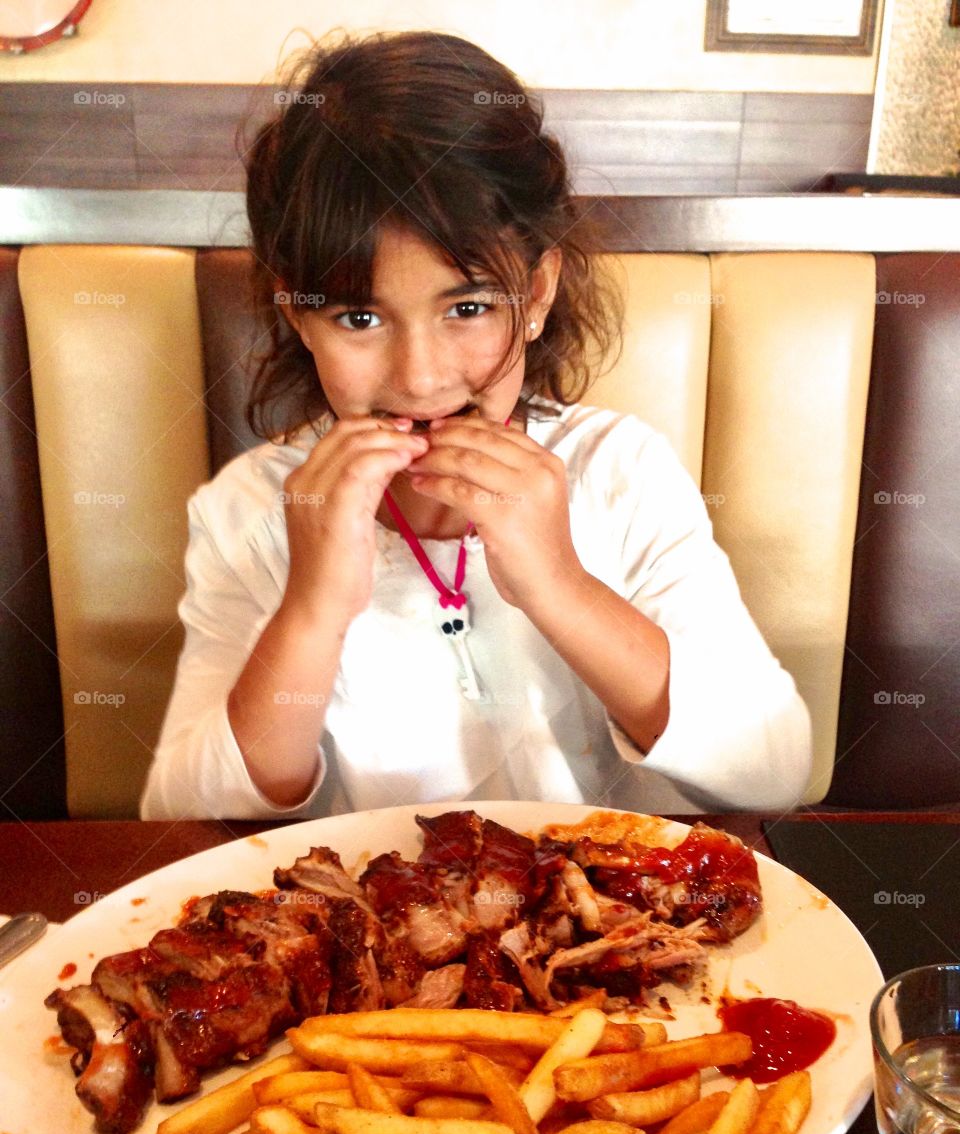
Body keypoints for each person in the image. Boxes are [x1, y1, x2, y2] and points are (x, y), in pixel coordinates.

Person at [140, 29, 811, 821]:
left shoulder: (620, 472)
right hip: (374, 931)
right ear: (299, 317)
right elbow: (182, 817)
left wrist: (561, 586)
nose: (421, 378)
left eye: (467, 308)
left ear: (535, 295)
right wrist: (312, 608)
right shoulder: (250, 511)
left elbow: (775, 769)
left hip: (612, 922)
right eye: (359, 316)